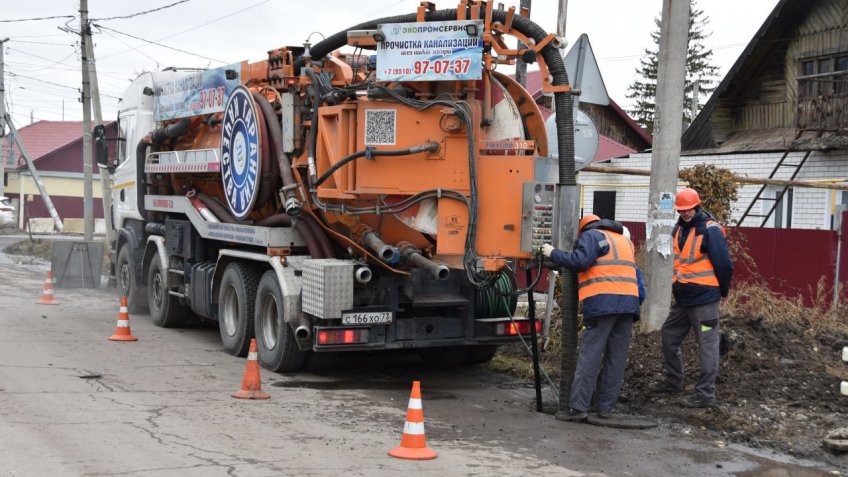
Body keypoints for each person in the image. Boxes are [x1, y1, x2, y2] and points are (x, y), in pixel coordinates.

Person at [542, 214, 644, 422]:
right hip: (628, 307)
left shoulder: (591, 236)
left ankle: (578, 408)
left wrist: (553, 253)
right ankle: (604, 408)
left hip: (603, 305)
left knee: (590, 356)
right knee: (616, 359)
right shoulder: (624, 241)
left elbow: (580, 261)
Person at [648, 187, 733, 408]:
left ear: (697, 206)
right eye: (682, 210)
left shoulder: (710, 230)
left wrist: (721, 292)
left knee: (707, 344)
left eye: (689, 210)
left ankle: (705, 394)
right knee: (669, 335)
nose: (685, 213)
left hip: (705, 302)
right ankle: (673, 380)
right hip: (684, 300)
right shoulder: (679, 229)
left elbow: (724, 264)